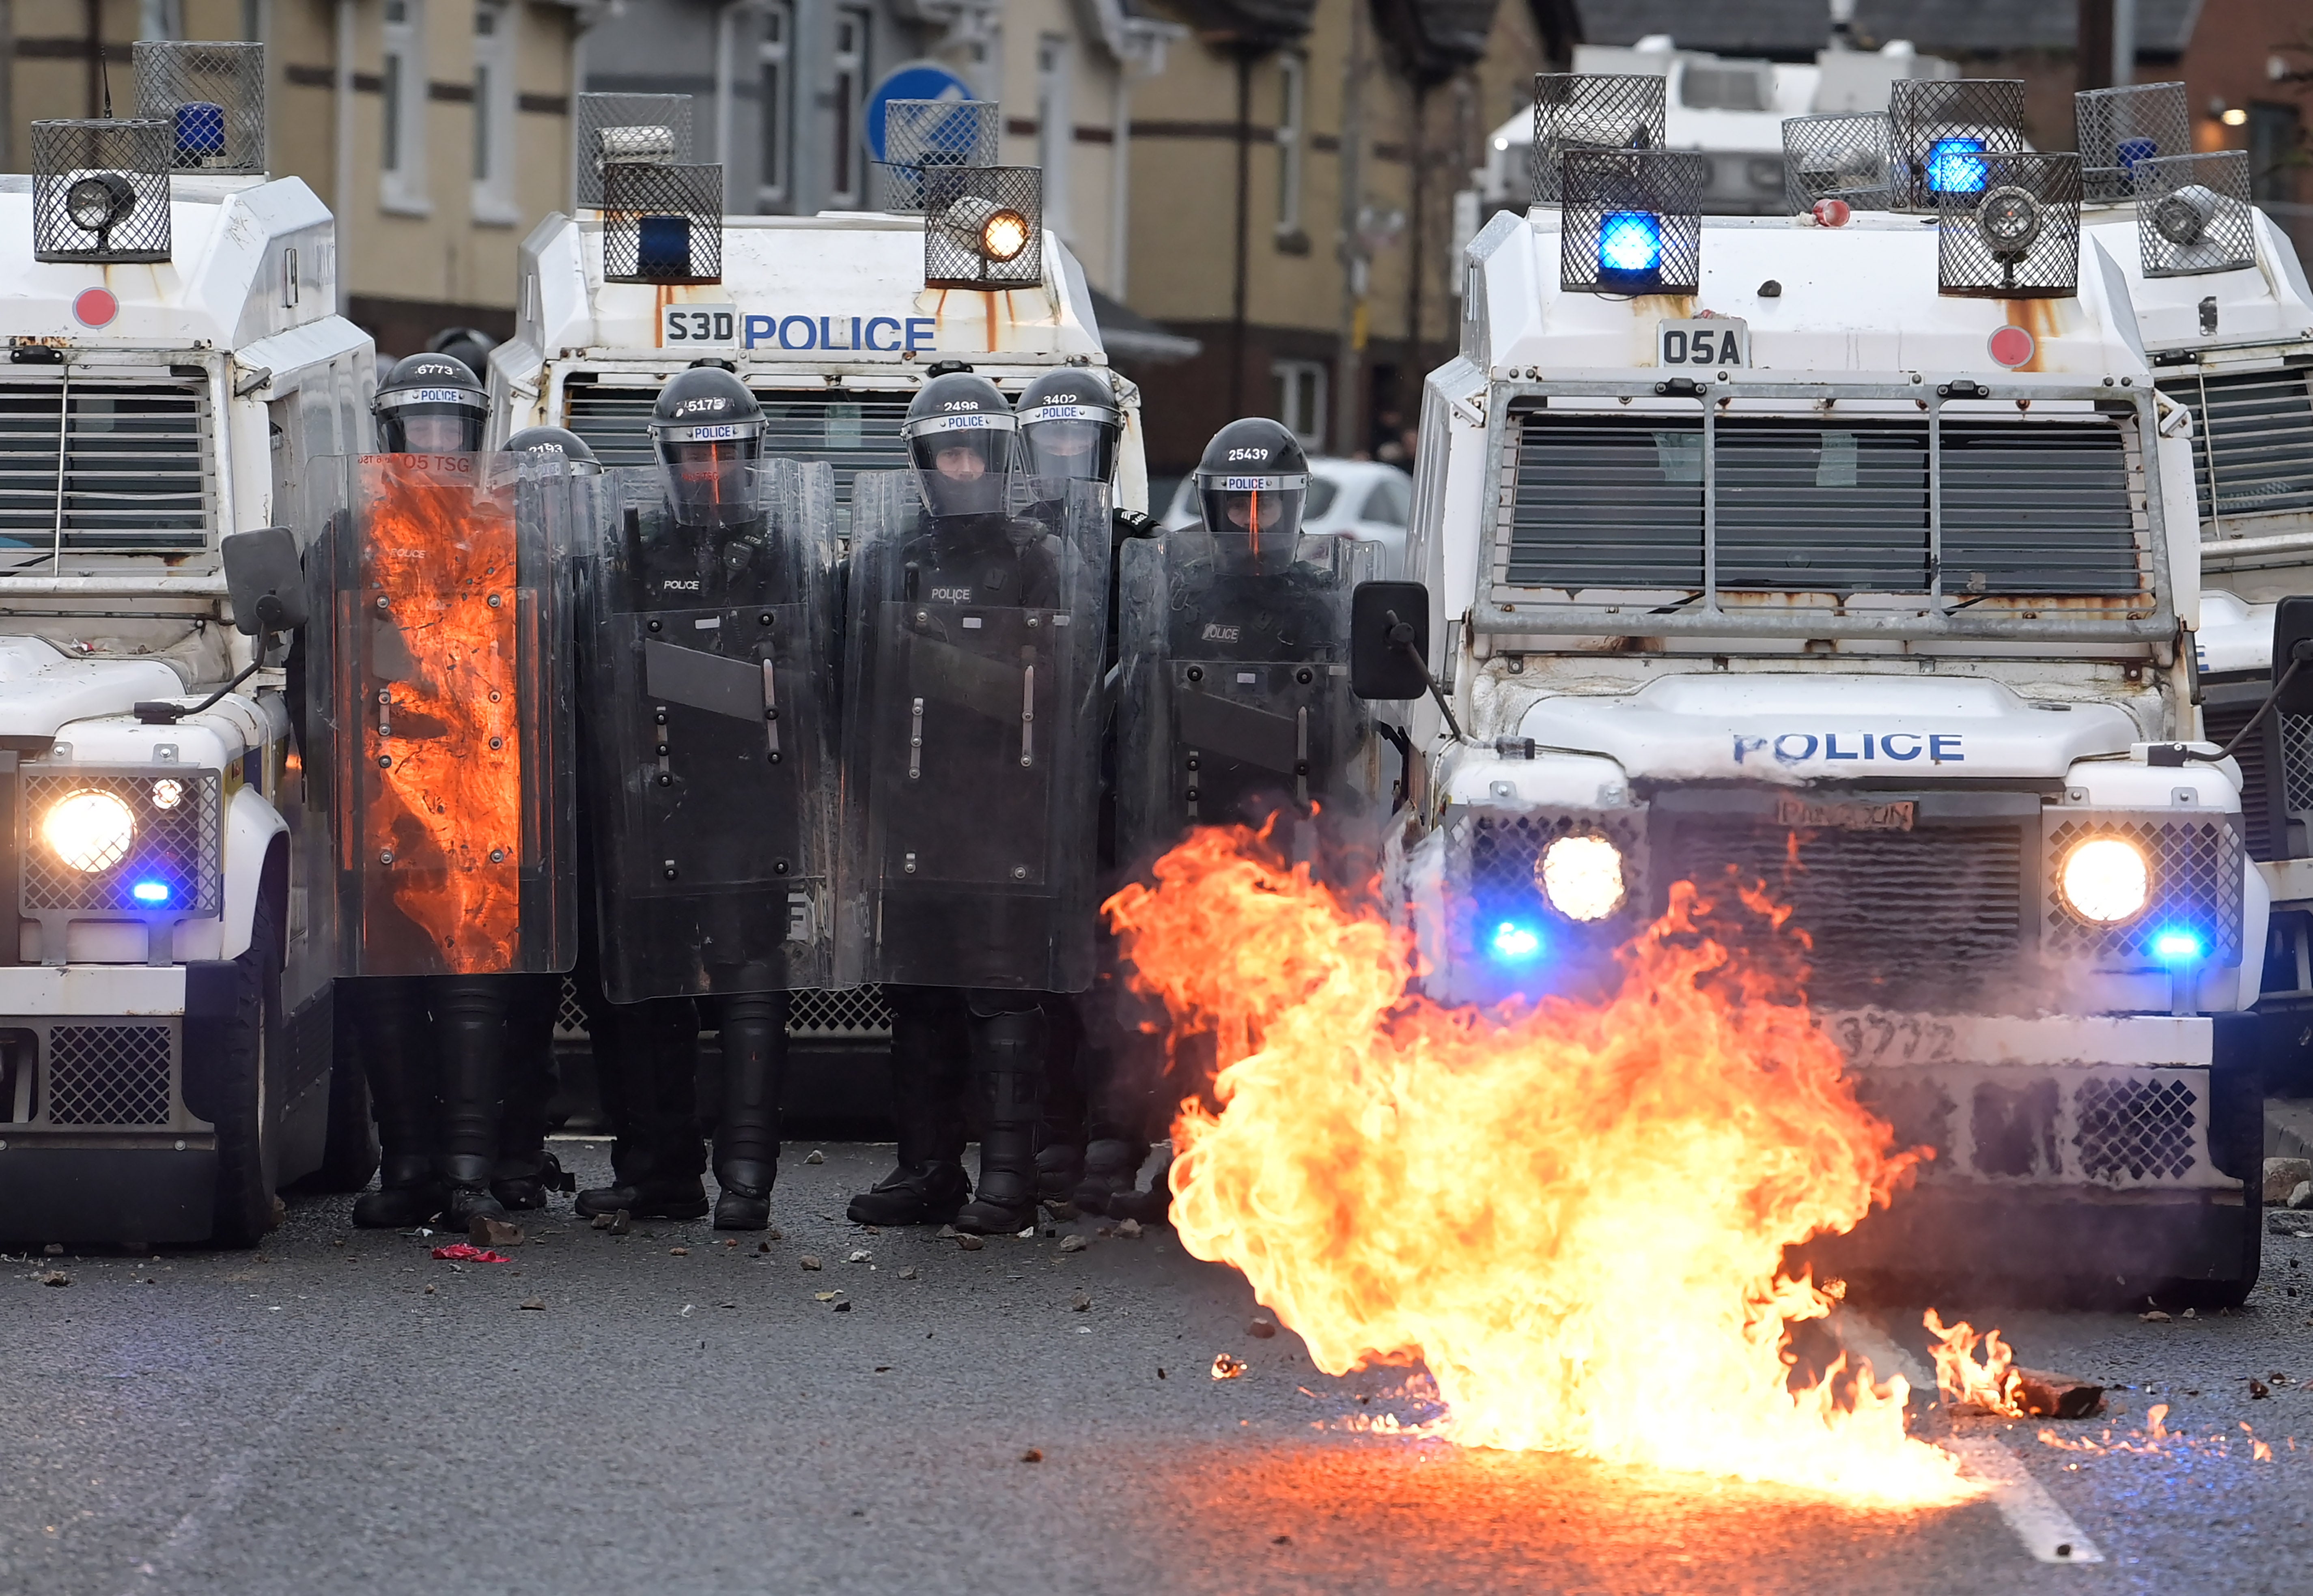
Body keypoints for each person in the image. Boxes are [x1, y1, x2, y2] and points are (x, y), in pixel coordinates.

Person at [1082, 416, 1385, 1217]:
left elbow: (1351, 726)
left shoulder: (1322, 600)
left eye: (1270, 505)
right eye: (1239, 503)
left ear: (1294, 508)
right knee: (1184, 1002)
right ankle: (1171, 1163)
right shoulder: (1177, 591)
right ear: (1214, 506)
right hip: (1190, 829)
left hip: (1293, 841)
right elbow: (1136, 705)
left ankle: (1258, 1173)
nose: (1254, 520)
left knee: (1273, 1012)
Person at [842, 370, 1108, 1235]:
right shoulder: (888, 556)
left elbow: (1060, 689)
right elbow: (851, 690)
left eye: (975, 449)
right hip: (913, 811)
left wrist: (940, 661)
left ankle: (1007, 1179)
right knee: (917, 999)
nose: (962, 466)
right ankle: (926, 1170)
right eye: (946, 451)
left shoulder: (1039, 557)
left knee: (1003, 997)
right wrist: (872, 789)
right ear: (922, 461)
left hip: (1009, 809)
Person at [570, 364, 833, 1230]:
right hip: (658, 792)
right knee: (647, 986)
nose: (710, 469)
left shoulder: (783, 547)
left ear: (752, 453)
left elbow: (807, 672)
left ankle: (748, 1178)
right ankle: (659, 1172)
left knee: (751, 982)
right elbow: (607, 669)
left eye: (725, 451)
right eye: (694, 453)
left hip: (752, 799)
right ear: (669, 457)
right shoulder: (636, 546)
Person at [347, 353, 532, 1230]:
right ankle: (408, 1159)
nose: (432, 447)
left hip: (484, 782)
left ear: (475, 435)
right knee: (384, 975)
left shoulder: (507, 532)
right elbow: (326, 658)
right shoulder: (351, 535)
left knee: (473, 978)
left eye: (449, 428)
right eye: (417, 428)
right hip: (381, 785)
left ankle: (470, 1167)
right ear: (390, 434)